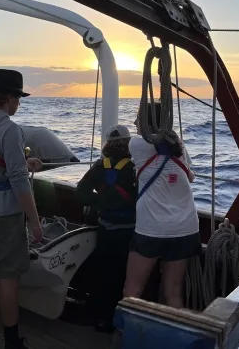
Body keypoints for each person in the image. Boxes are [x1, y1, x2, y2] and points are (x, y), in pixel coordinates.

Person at [0, 69, 43, 349]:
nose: (19, 104)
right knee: (8, 279)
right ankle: (12, 342)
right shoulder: (11, 130)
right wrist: (35, 223)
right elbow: (18, 183)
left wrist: (24, 163)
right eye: (18, 98)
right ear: (11, 98)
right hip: (4, 217)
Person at [123, 102, 201, 309]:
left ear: (147, 123)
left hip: (152, 229)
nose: (134, 123)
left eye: (138, 119)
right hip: (186, 228)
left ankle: (126, 338)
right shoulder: (179, 144)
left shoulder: (136, 145)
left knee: (132, 292)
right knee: (173, 293)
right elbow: (190, 177)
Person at [76, 124, 137, 332]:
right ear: (128, 143)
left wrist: (99, 203)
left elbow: (82, 190)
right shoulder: (134, 167)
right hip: (128, 231)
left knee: (102, 272)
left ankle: (100, 318)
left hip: (104, 228)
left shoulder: (100, 165)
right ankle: (119, 323)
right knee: (123, 276)